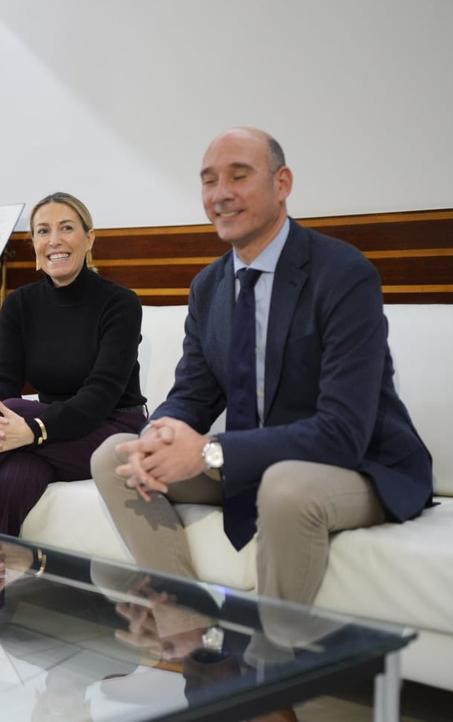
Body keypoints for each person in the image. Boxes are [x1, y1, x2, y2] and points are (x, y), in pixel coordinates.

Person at [91, 127, 433, 610]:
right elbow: (192, 393)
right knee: (117, 457)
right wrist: (158, 437)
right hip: (255, 458)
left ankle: (275, 666)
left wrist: (208, 452)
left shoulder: (344, 273)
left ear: (282, 183)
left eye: (239, 175)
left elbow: (342, 432)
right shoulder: (209, 286)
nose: (221, 194)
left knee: (285, 487)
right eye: (209, 181)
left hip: (359, 465)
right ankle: (186, 627)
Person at [0, 192, 148, 537]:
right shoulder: (20, 304)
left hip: (112, 429)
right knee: (16, 476)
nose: (55, 241)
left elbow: (101, 395)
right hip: (49, 430)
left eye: (66, 228)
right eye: (43, 231)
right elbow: (2, 377)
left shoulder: (120, 303)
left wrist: (34, 430)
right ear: (33, 244)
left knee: (12, 411)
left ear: (89, 239)